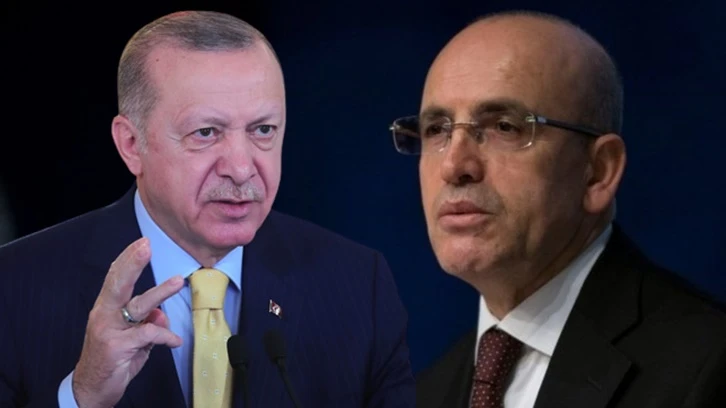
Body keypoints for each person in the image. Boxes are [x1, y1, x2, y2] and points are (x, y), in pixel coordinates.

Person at [0, 10, 415, 408]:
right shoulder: (16, 287)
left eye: (263, 130)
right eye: (206, 132)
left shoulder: (358, 287)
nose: (241, 168)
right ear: (131, 145)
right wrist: (82, 397)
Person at [389, 10, 726, 408]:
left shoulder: (708, 366)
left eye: (504, 127)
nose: (454, 166)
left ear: (598, 172)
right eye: (436, 130)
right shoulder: (425, 394)